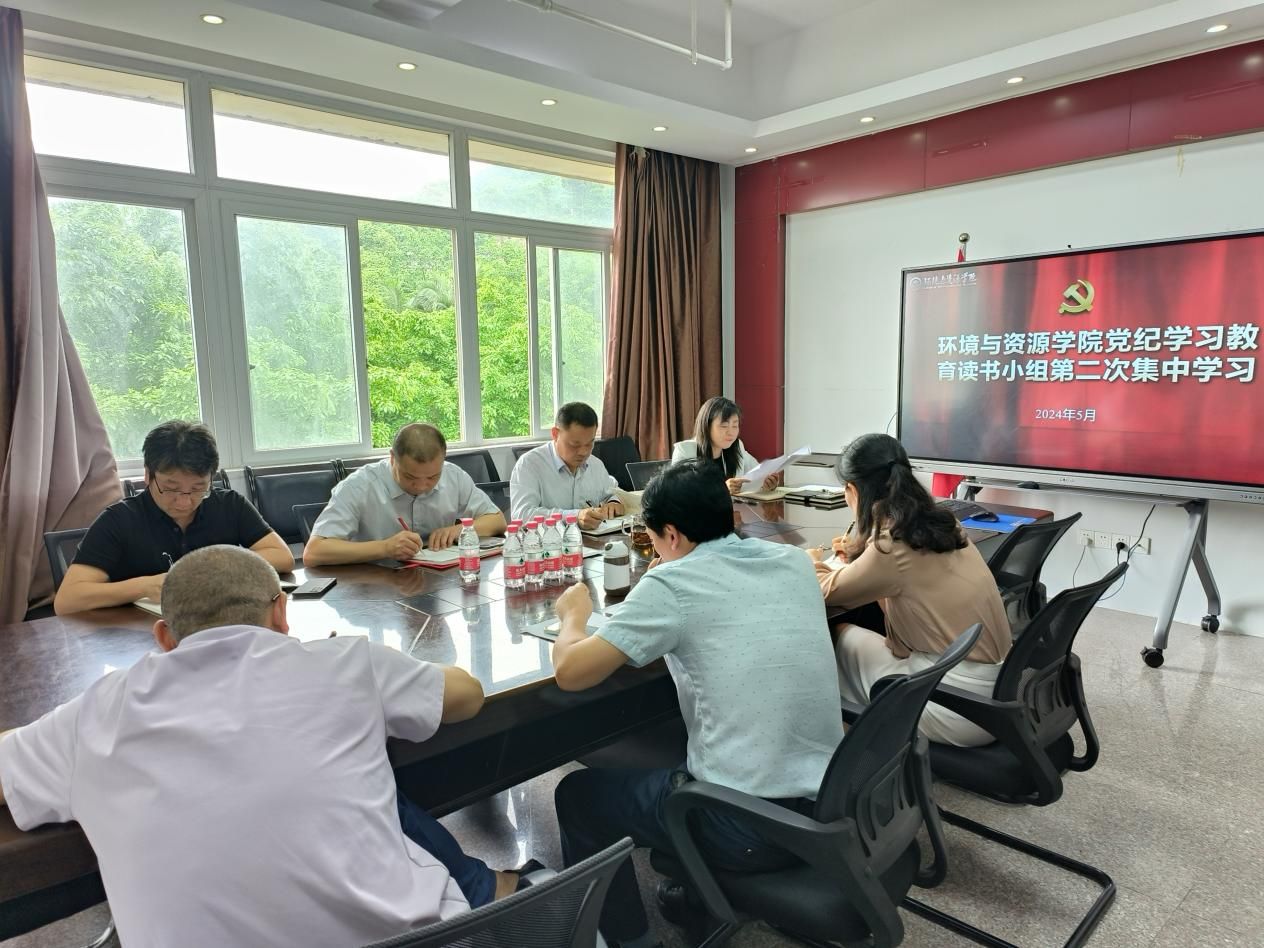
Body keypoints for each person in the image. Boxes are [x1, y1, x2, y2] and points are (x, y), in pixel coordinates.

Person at [0, 545, 533, 948]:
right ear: (282, 613)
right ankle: (498, 888)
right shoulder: (346, 663)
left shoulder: (94, 713)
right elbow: (466, 695)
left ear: (163, 638)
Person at [549, 461, 844, 948]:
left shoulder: (671, 586)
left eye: (652, 538)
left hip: (745, 827)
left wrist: (572, 617)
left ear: (670, 534)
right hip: (829, 803)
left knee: (578, 796)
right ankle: (696, 892)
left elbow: (571, 671)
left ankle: (631, 941)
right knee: (676, 745)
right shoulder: (792, 560)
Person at [809, 433, 1011, 747]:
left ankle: (850, 749)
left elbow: (825, 592)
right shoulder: (943, 522)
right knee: (852, 631)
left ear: (852, 490)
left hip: (954, 704)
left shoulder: (892, 545)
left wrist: (811, 562)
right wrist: (862, 553)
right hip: (997, 691)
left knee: (834, 638)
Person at [54, 420, 293, 615]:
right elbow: (68, 599)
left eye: (198, 489)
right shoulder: (118, 520)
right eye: (170, 488)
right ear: (148, 475)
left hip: (218, 623)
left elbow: (282, 557)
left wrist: (212, 570)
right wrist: (144, 586)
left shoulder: (228, 504)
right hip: (142, 635)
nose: (184, 502)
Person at [304, 423, 506, 566]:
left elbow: (496, 520)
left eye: (433, 477)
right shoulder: (359, 486)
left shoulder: (453, 475)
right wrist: (385, 548)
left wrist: (460, 530)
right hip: (375, 584)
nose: (422, 486)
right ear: (392, 458)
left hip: (436, 579)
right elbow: (314, 552)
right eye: (410, 476)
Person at [509, 401, 623, 527]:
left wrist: (614, 502)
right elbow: (522, 515)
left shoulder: (595, 464)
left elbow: (612, 492)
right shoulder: (529, 465)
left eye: (589, 444)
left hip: (595, 538)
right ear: (555, 434)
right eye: (574, 445)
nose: (583, 452)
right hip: (550, 538)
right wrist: (574, 517)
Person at [671, 396, 777, 496]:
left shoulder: (737, 446)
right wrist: (721, 489)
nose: (731, 432)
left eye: (735, 426)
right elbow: (678, 492)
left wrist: (765, 483)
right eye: (724, 426)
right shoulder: (685, 451)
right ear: (707, 426)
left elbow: (757, 474)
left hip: (735, 508)